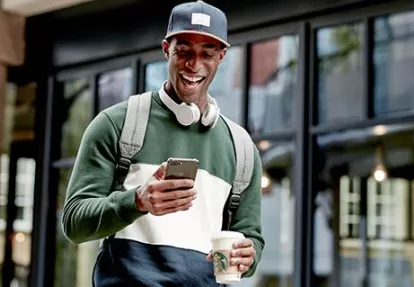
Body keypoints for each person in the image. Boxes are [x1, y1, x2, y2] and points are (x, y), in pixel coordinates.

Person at [60, 1, 265, 286]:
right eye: (184, 51)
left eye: (207, 54)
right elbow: (74, 223)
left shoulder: (242, 148)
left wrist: (248, 256)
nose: (194, 65)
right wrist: (137, 201)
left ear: (222, 56)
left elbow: (251, 238)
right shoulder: (116, 124)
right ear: (166, 48)